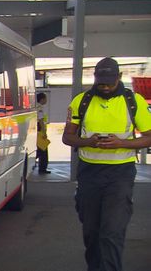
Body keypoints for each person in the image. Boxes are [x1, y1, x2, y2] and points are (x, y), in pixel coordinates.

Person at [62, 57, 151, 271]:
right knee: (91, 231)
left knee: (112, 231)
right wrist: (89, 141)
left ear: (119, 77)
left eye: (110, 82)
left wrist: (122, 143)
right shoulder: (81, 101)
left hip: (120, 175)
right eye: (101, 82)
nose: (105, 86)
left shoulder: (134, 101)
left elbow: (149, 136)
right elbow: (67, 138)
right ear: (95, 78)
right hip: (89, 174)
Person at [36, 92, 51, 174]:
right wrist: (44, 131)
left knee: (40, 150)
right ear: (42, 99)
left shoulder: (36, 107)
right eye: (45, 98)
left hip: (37, 131)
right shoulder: (39, 108)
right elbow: (41, 120)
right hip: (40, 132)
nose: (46, 100)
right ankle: (42, 168)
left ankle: (41, 167)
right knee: (43, 150)